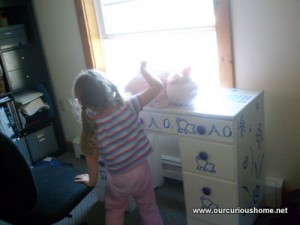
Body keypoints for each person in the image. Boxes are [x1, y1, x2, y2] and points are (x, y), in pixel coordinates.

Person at [73, 62, 164, 225]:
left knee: (115, 210)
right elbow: (158, 86)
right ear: (109, 88)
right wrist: (144, 71)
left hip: (118, 178)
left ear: (82, 101)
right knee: (149, 208)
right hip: (141, 172)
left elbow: (92, 159)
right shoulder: (129, 105)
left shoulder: (91, 125)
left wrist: (91, 181)